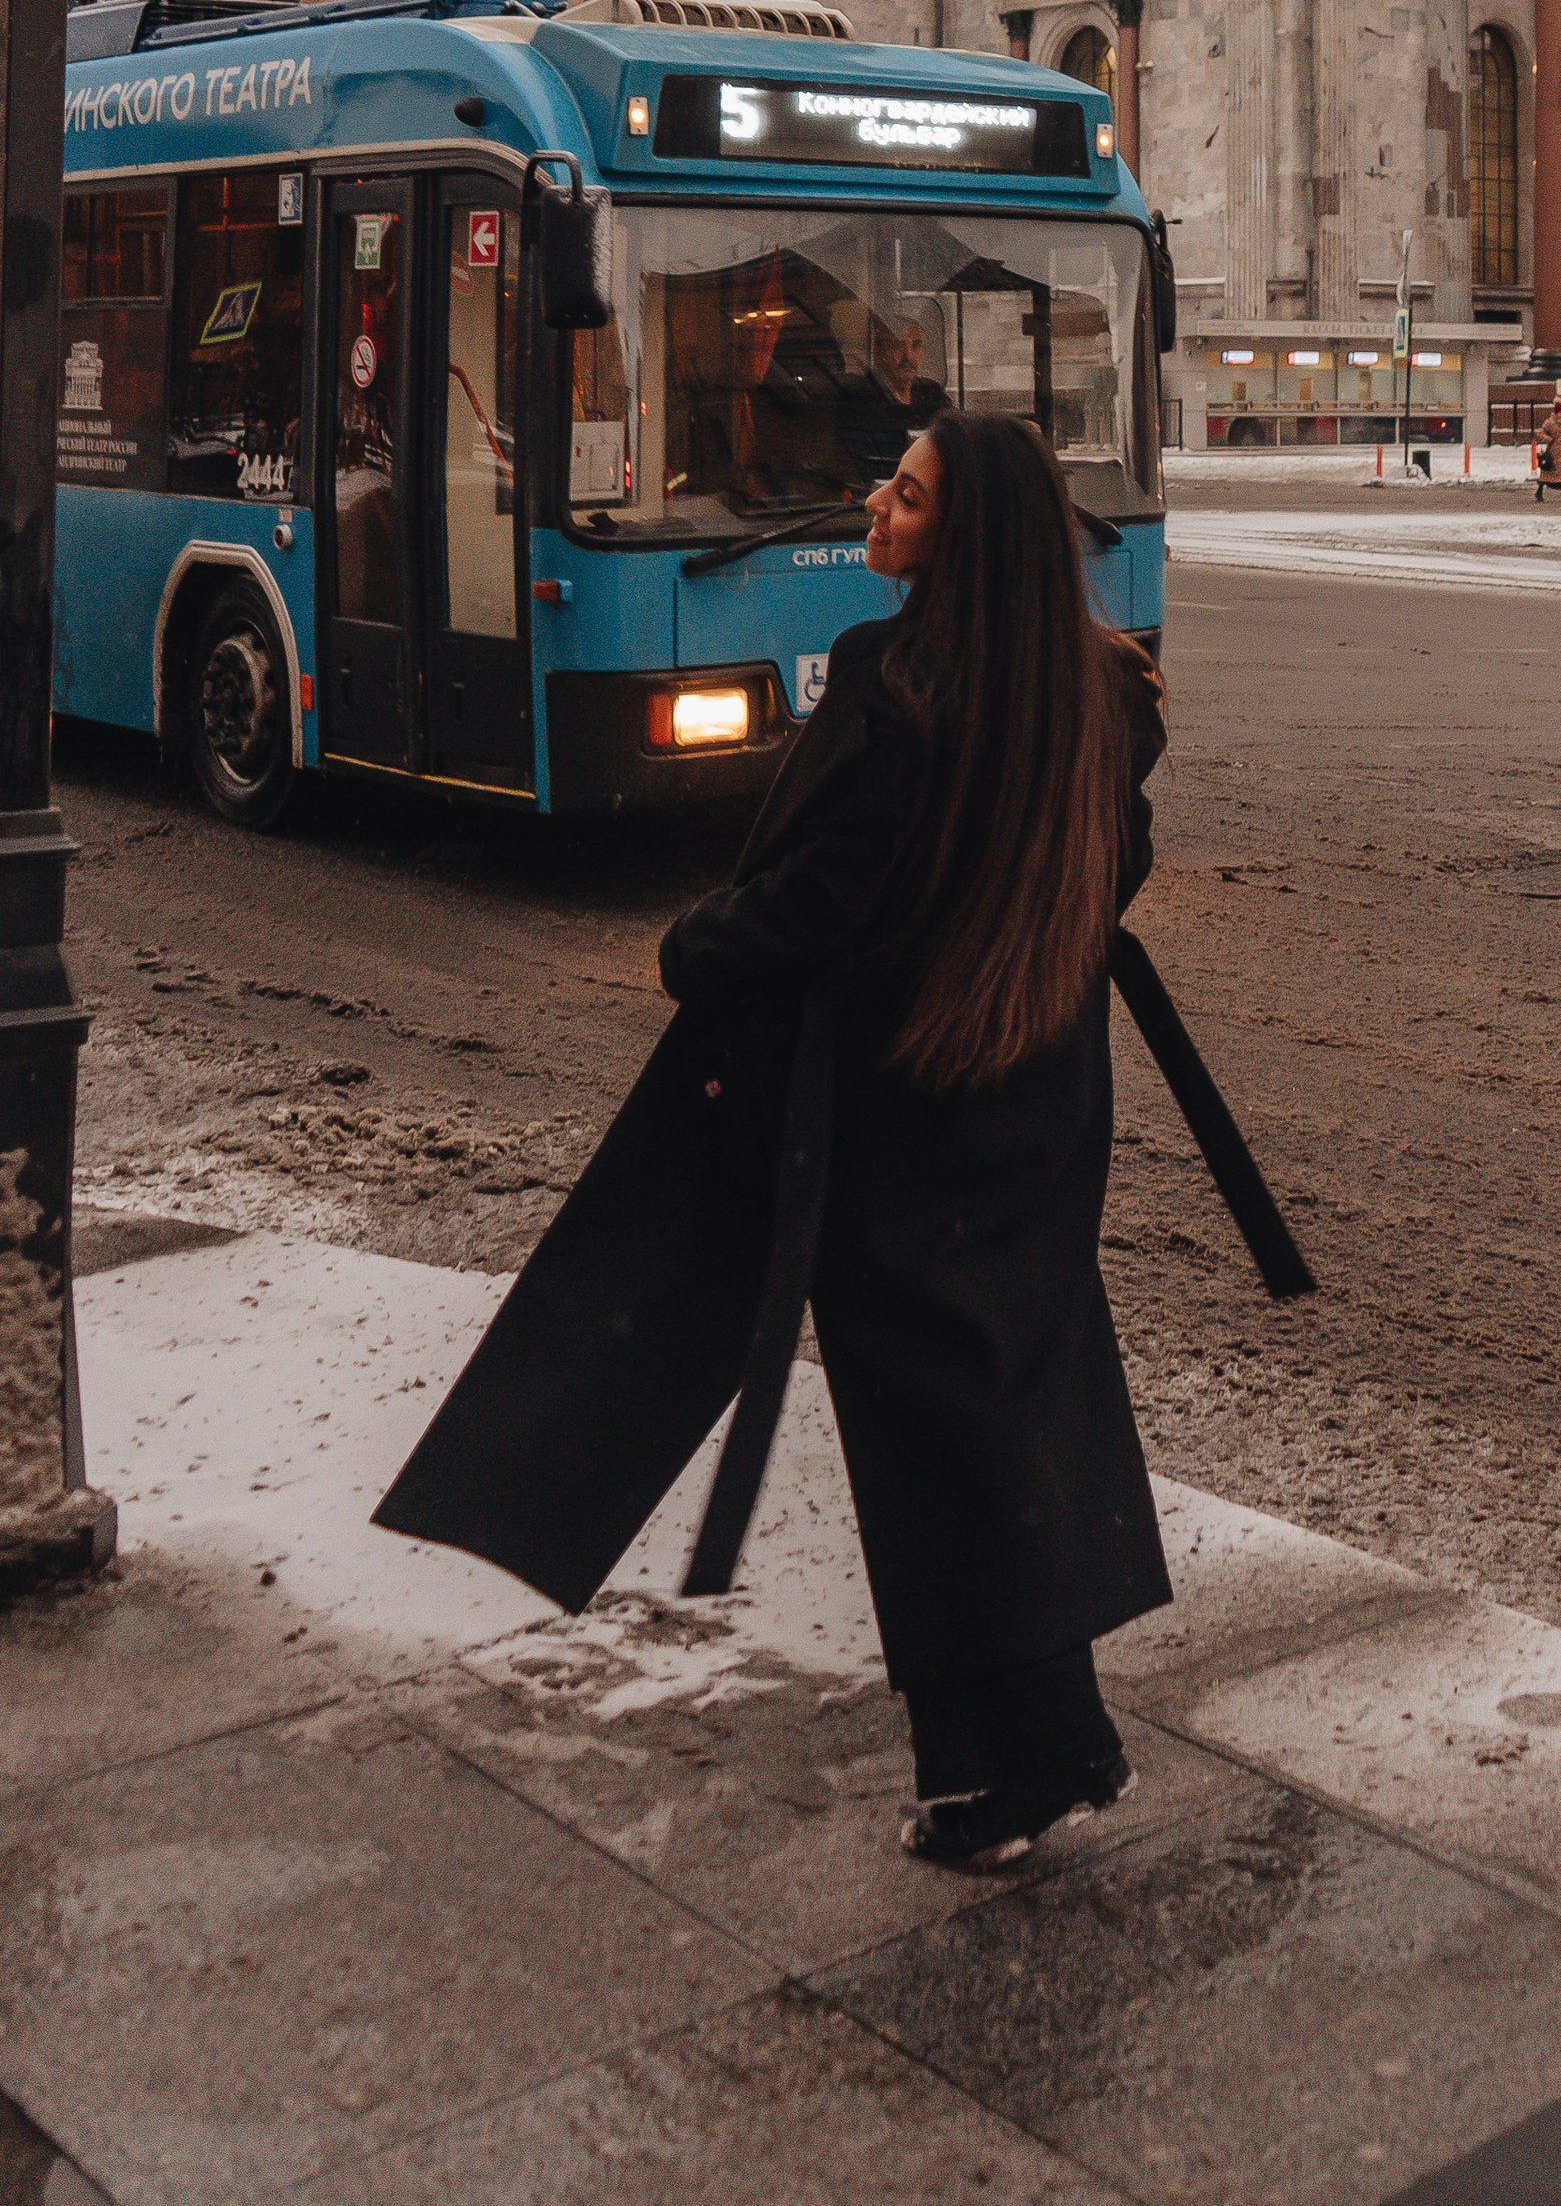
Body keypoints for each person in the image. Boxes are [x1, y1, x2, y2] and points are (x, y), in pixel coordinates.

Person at [379, 408, 1178, 1872]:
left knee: (925, 1444)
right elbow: (1111, 871)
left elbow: (830, 898)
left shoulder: (897, 686)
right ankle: (1053, 1739)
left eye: (914, 496)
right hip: (1039, 1104)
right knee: (1001, 1415)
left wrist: (695, 947)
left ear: (967, 537)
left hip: (899, 1118)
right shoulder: (1099, 688)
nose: (880, 504)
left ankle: (986, 1777)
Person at [1533, 395, 1561, 502]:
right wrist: (1548, 438)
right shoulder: (1549, 422)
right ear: (1556, 413)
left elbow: (1560, 434)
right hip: (1552, 452)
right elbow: (1540, 433)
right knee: (1548, 474)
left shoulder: (1560, 423)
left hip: (1560, 451)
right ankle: (1539, 492)